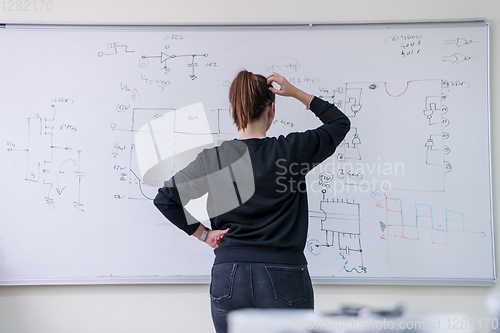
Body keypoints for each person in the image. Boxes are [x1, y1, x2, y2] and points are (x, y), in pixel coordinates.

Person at [154, 70, 350, 333]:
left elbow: (166, 200)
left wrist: (204, 235)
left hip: (228, 275)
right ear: (271, 109)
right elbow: (339, 123)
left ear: (237, 111)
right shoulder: (291, 150)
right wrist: (294, 92)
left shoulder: (213, 159)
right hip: (284, 274)